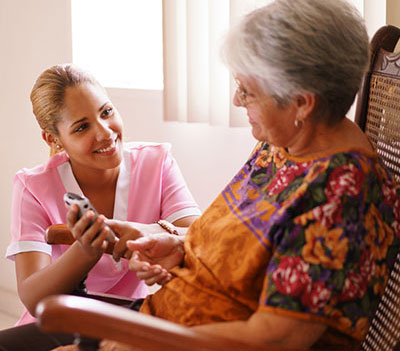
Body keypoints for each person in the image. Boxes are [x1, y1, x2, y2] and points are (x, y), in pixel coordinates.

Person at [90, 0, 399, 350]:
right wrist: (178, 246)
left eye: (247, 90)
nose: (237, 101)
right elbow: (247, 252)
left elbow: (274, 339)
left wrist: (143, 341)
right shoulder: (287, 143)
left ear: (301, 102)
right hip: (164, 322)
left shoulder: (341, 194)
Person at [0, 64, 200, 349]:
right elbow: (33, 298)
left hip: (136, 317)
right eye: (82, 127)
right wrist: (86, 250)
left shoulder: (158, 161)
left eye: (106, 112)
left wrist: (144, 231)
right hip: (64, 319)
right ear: (53, 138)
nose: (105, 132)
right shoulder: (33, 186)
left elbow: (200, 234)